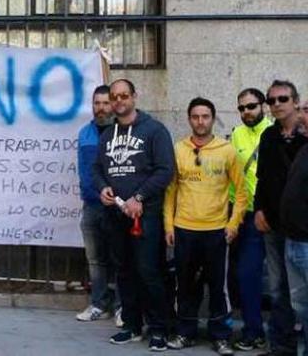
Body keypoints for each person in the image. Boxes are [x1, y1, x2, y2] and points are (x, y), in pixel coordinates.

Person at [92, 78, 175, 352]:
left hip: (145, 216)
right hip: (115, 216)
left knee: (149, 272)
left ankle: (159, 329)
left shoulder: (155, 131)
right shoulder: (106, 135)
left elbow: (165, 170)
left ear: (134, 97)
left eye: (123, 96)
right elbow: (96, 169)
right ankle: (131, 325)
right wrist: (103, 187)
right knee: (124, 272)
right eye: (114, 97)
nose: (118, 101)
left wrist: (139, 197)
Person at [163, 98, 247, 355]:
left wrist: (233, 224)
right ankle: (185, 333)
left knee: (218, 288)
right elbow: (171, 191)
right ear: (189, 119)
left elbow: (242, 193)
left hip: (216, 231)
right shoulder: (178, 149)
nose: (201, 121)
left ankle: (220, 336)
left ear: (213, 118)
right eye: (196, 116)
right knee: (186, 285)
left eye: (206, 116)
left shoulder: (227, 150)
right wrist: (169, 225)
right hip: (184, 229)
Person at [254, 80, 306, 356]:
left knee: (304, 293)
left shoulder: (306, 136)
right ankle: (281, 346)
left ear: (295, 101)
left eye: (282, 99)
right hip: (273, 223)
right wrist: (259, 209)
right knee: (277, 288)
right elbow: (261, 178)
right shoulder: (268, 136)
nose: (276, 105)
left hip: (301, 228)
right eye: (271, 100)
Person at [229, 88, 273, 351]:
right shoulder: (236, 134)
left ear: (263, 106)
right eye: (242, 108)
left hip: (273, 215)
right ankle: (253, 331)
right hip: (244, 215)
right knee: (246, 276)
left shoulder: (275, 133)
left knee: (282, 281)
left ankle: (284, 332)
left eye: (252, 106)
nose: (247, 112)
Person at [74, 85, 119, 323]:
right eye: (96, 103)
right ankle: (99, 304)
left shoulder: (122, 133)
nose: (100, 108)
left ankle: (123, 307)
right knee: (96, 260)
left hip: (116, 207)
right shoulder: (84, 133)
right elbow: (83, 169)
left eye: (105, 103)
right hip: (91, 206)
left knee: (120, 259)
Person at [279, 135, 308, 356]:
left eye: (307, 110)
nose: (302, 116)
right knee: (301, 308)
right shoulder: (304, 149)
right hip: (293, 240)